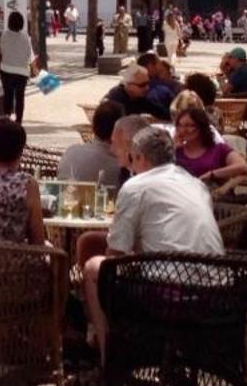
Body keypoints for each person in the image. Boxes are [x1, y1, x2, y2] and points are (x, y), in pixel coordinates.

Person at [79, 124, 222, 355]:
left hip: (171, 291)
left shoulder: (136, 186)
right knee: (91, 242)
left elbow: (115, 254)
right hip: (218, 291)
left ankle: (107, 359)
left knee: (94, 268)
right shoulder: (196, 184)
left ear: (140, 158)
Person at [171, 101, 247, 188]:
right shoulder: (175, 151)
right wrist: (173, 148)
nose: (183, 130)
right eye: (180, 125)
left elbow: (242, 166)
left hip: (210, 196)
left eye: (189, 126)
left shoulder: (218, 149)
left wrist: (212, 174)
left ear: (201, 127)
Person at [61, 99, 123, 188]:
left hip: (66, 199)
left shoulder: (71, 152)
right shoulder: (121, 166)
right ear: (119, 131)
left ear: (93, 127)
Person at [0, 9, 37, 122]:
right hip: (22, 72)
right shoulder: (26, 37)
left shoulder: (1, 35)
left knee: (8, 95)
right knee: (20, 97)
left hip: (6, 70)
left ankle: (6, 118)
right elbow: (30, 55)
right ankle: (19, 120)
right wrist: (34, 68)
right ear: (22, 23)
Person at [104, 64, 171, 121]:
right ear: (129, 85)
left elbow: (160, 112)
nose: (147, 88)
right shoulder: (116, 100)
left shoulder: (138, 97)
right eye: (142, 85)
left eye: (148, 83)